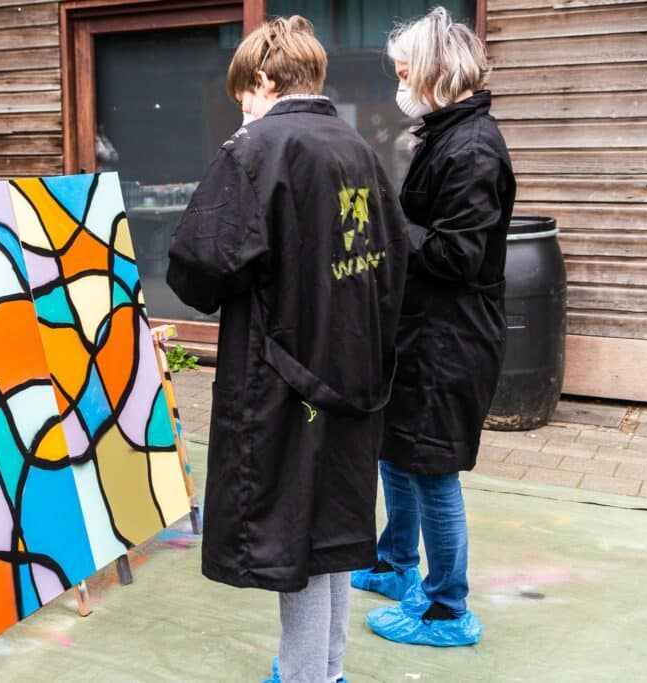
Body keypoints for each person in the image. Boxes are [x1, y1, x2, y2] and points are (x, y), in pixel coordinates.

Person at [167, 17, 407, 683]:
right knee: (332, 532)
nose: (242, 106)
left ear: (265, 80)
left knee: (294, 531)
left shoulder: (257, 148)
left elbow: (197, 266)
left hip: (285, 378)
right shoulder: (358, 150)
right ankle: (326, 670)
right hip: (352, 374)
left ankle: (305, 676)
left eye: (244, 92)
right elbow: (393, 263)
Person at [350, 7, 517, 648]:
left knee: (432, 467)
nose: (399, 85)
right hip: (420, 328)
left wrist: (388, 222)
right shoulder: (444, 134)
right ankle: (396, 565)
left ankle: (447, 608)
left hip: (451, 337)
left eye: (403, 74)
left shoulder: (471, 149)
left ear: (434, 74)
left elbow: (458, 255)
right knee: (397, 449)